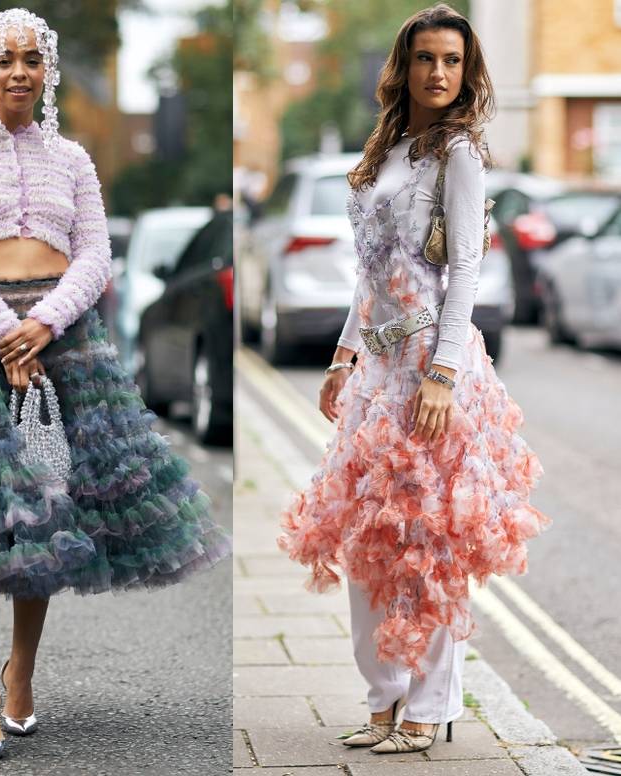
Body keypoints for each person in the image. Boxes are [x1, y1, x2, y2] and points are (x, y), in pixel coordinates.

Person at [0, 7, 232, 763]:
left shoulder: (74, 158)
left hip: (65, 340)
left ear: (46, 71)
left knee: (45, 509)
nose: (18, 71)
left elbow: (97, 255)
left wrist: (45, 325)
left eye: (31, 59)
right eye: (4, 59)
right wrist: (4, 332)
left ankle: (21, 670)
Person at [279, 3, 549, 755]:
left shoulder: (458, 152)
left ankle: (432, 704)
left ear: (467, 72)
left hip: (433, 372)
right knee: (369, 543)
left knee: (429, 546)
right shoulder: (387, 150)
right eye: (427, 58)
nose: (439, 73)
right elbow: (371, 277)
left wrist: (443, 373)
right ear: (404, 67)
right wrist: (343, 357)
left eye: (452, 61)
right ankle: (384, 699)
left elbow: (465, 268)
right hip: (376, 376)